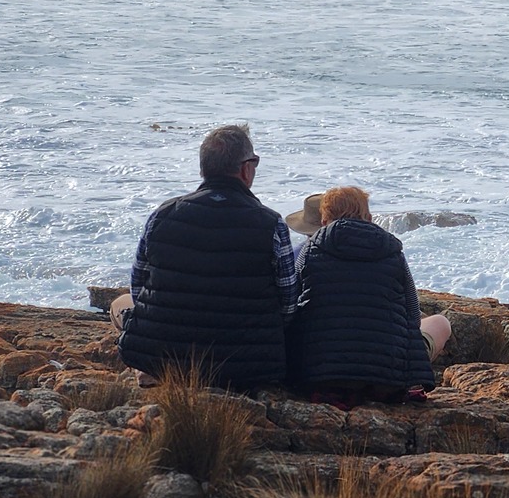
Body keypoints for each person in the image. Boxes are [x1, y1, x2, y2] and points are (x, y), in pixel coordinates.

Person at [115, 124, 297, 390]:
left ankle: (153, 374)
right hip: (244, 366)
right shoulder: (270, 224)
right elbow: (288, 303)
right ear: (246, 168)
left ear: (203, 169)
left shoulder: (163, 215)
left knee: (120, 303)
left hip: (165, 356)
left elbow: (138, 285)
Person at [287, 186, 450, 407]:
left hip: (323, 376)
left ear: (324, 222)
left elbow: (291, 304)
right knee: (440, 322)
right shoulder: (393, 252)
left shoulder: (309, 250)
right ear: (371, 219)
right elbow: (412, 313)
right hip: (387, 380)